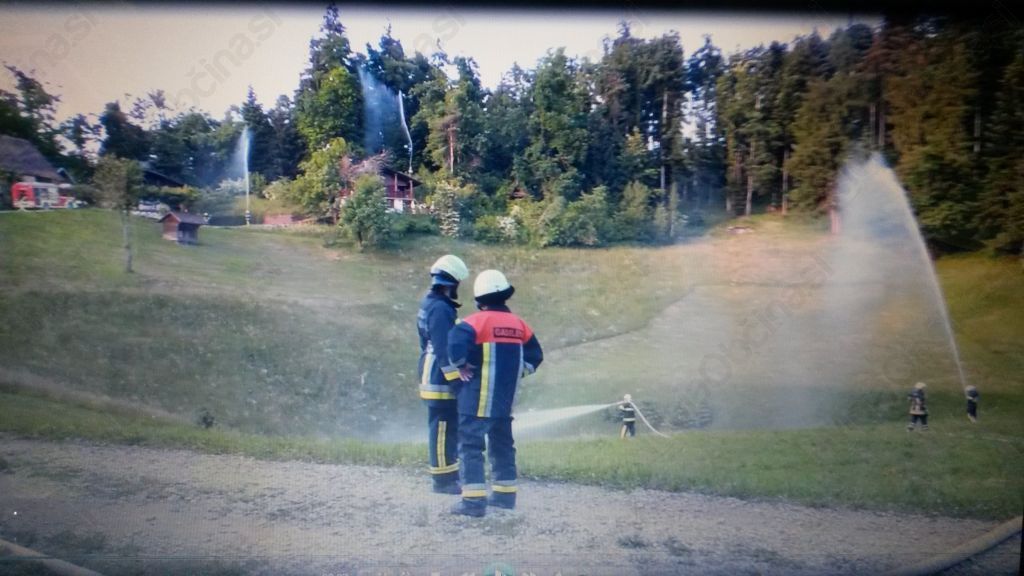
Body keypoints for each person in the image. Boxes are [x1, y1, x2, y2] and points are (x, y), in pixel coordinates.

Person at [446, 269, 543, 517]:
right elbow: (535, 356)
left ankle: (473, 502)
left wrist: (461, 365)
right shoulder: (520, 324)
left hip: (476, 399)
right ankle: (504, 496)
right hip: (504, 401)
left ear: (479, 299)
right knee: (503, 446)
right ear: (505, 295)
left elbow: (454, 344)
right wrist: (517, 372)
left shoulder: (473, 323)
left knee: (470, 447)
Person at [417, 254, 469, 494]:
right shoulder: (440, 308)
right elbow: (443, 348)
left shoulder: (431, 303)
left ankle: (450, 475)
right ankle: (443, 481)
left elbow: (426, 343)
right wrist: (457, 381)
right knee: (442, 429)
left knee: (447, 427)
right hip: (438, 378)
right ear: (452, 282)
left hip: (432, 372)